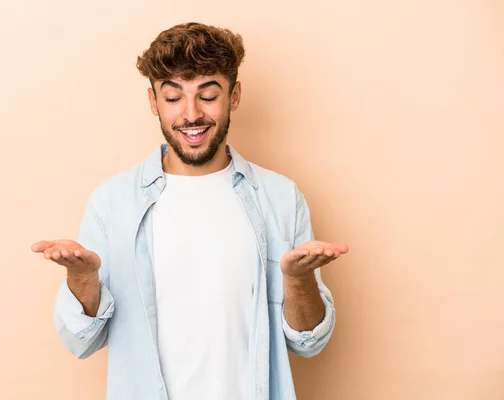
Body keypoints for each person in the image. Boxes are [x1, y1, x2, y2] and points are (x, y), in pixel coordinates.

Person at [31, 22, 349, 400]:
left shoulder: (280, 197)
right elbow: (81, 342)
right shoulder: (112, 202)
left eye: (208, 94)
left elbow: (309, 341)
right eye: (173, 97)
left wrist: (298, 281)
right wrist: (83, 281)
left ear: (234, 96)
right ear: (153, 102)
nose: (191, 114)